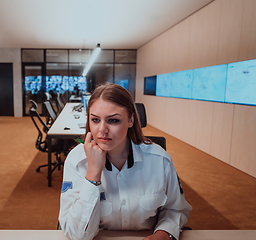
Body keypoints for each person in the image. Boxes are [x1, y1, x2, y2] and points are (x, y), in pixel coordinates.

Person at [58, 83, 192, 240]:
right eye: (95, 120)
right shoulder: (77, 161)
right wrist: (93, 173)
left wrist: (164, 233)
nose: (102, 129)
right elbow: (76, 235)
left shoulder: (160, 160)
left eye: (113, 120)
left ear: (130, 120)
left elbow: (176, 209)